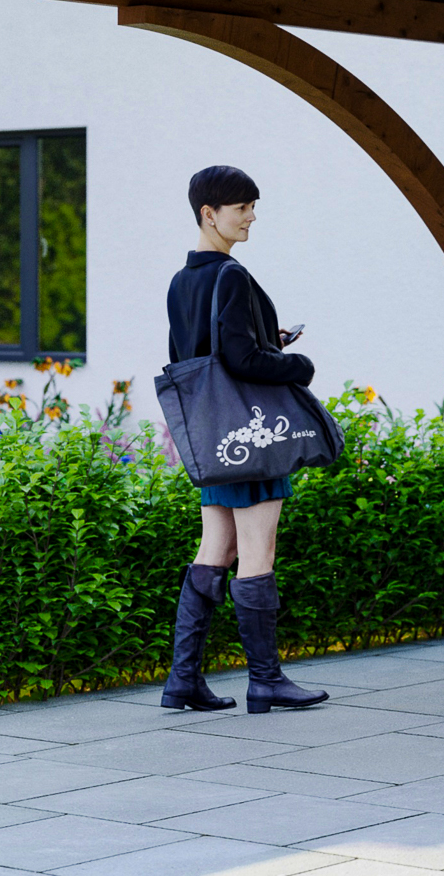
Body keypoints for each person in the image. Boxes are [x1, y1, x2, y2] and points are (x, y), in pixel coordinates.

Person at [160, 165, 329, 715]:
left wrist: (263, 339)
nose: (252, 217)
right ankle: (266, 680)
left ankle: (182, 681)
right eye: (242, 208)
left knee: (216, 549)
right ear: (209, 213)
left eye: (253, 206)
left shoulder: (183, 281)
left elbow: (199, 356)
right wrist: (296, 362)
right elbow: (238, 359)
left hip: (215, 436)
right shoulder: (229, 275)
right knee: (258, 551)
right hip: (252, 434)